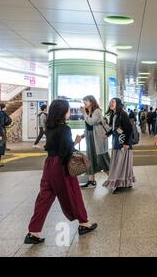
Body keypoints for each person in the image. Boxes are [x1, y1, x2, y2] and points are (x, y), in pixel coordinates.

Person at [24, 99, 97, 245]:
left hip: (49, 164)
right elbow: (65, 151)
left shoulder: (49, 127)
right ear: (62, 112)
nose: (70, 112)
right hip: (61, 166)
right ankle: (84, 223)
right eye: (69, 110)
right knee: (73, 194)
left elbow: (51, 147)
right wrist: (75, 144)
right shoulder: (64, 129)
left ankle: (33, 232)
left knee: (44, 197)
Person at [103, 98, 136, 194]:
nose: (111, 103)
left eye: (113, 102)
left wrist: (126, 143)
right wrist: (108, 134)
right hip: (117, 143)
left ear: (118, 104)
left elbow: (129, 129)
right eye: (110, 102)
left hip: (122, 144)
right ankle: (127, 182)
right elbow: (115, 129)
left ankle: (120, 184)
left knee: (120, 164)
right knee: (122, 164)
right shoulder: (114, 115)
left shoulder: (123, 114)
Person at [78, 95, 110, 189]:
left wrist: (84, 113)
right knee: (90, 158)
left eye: (86, 101)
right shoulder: (89, 112)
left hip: (97, 138)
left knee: (102, 158)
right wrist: (83, 136)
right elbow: (88, 127)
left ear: (91, 102)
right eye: (84, 102)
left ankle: (113, 179)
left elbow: (91, 122)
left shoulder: (97, 111)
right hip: (89, 137)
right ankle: (91, 180)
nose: (84, 104)